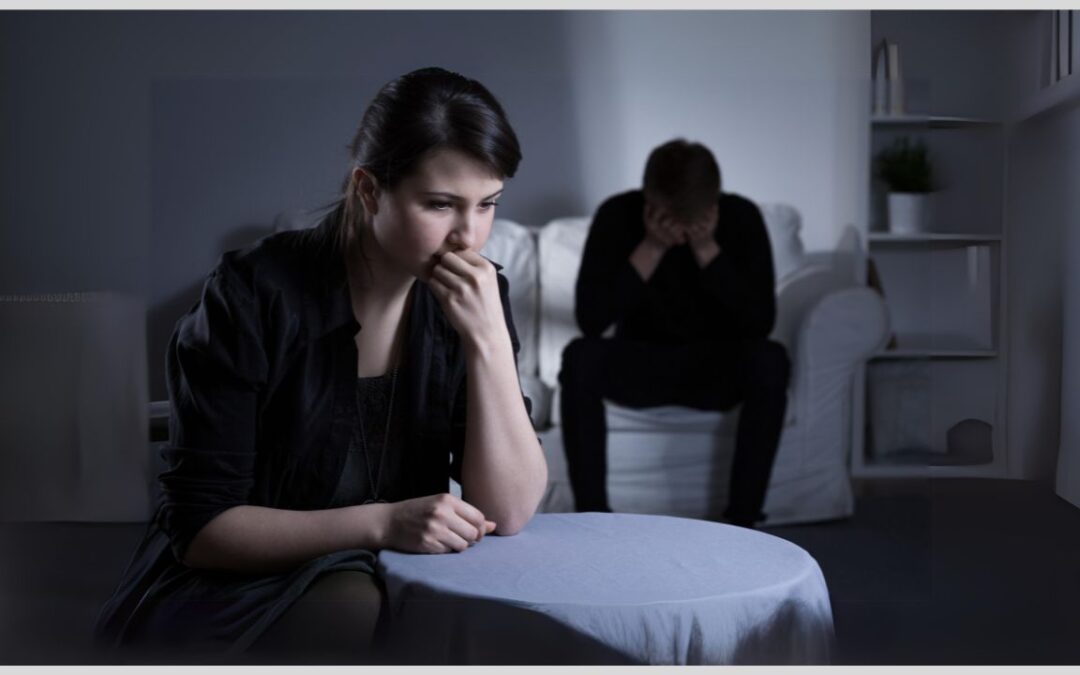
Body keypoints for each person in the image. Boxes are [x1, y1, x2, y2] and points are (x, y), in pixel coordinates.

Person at [93, 67, 547, 664]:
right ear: (368, 189)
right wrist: (381, 524)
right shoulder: (254, 294)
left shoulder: (477, 298)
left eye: (487, 205)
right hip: (242, 579)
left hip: (398, 566)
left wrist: (487, 340)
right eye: (440, 204)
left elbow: (507, 511)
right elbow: (202, 531)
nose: (468, 237)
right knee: (352, 603)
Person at [559, 139, 789, 528]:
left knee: (770, 358)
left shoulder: (742, 217)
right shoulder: (617, 215)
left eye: (690, 219)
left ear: (712, 203)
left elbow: (760, 323)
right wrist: (650, 248)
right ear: (648, 197)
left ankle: (744, 518)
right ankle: (592, 518)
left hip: (715, 367)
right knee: (581, 355)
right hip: (641, 363)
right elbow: (592, 321)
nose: (679, 228)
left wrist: (707, 249)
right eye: (668, 215)